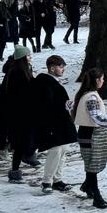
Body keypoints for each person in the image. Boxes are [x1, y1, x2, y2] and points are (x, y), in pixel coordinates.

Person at [70, 68, 107, 208]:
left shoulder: (83, 94)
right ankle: (97, 196)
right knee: (93, 165)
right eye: (102, 79)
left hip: (86, 133)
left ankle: (87, 186)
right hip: (92, 134)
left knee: (91, 163)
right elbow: (97, 117)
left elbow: (70, 107)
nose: (103, 81)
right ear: (97, 80)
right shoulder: (91, 97)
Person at [34, 54, 77, 193]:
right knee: (55, 150)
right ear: (52, 68)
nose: (63, 69)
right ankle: (47, 181)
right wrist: (63, 105)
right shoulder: (45, 83)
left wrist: (66, 105)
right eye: (60, 66)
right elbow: (46, 104)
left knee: (63, 149)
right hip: (51, 123)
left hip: (60, 121)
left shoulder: (53, 81)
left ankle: (57, 179)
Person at [0, 50, 36, 183]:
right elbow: (22, 93)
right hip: (19, 113)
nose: (30, 57)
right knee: (19, 142)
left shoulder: (21, 70)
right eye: (28, 55)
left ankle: (26, 157)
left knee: (24, 139)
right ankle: (15, 170)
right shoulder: (17, 73)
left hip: (21, 112)